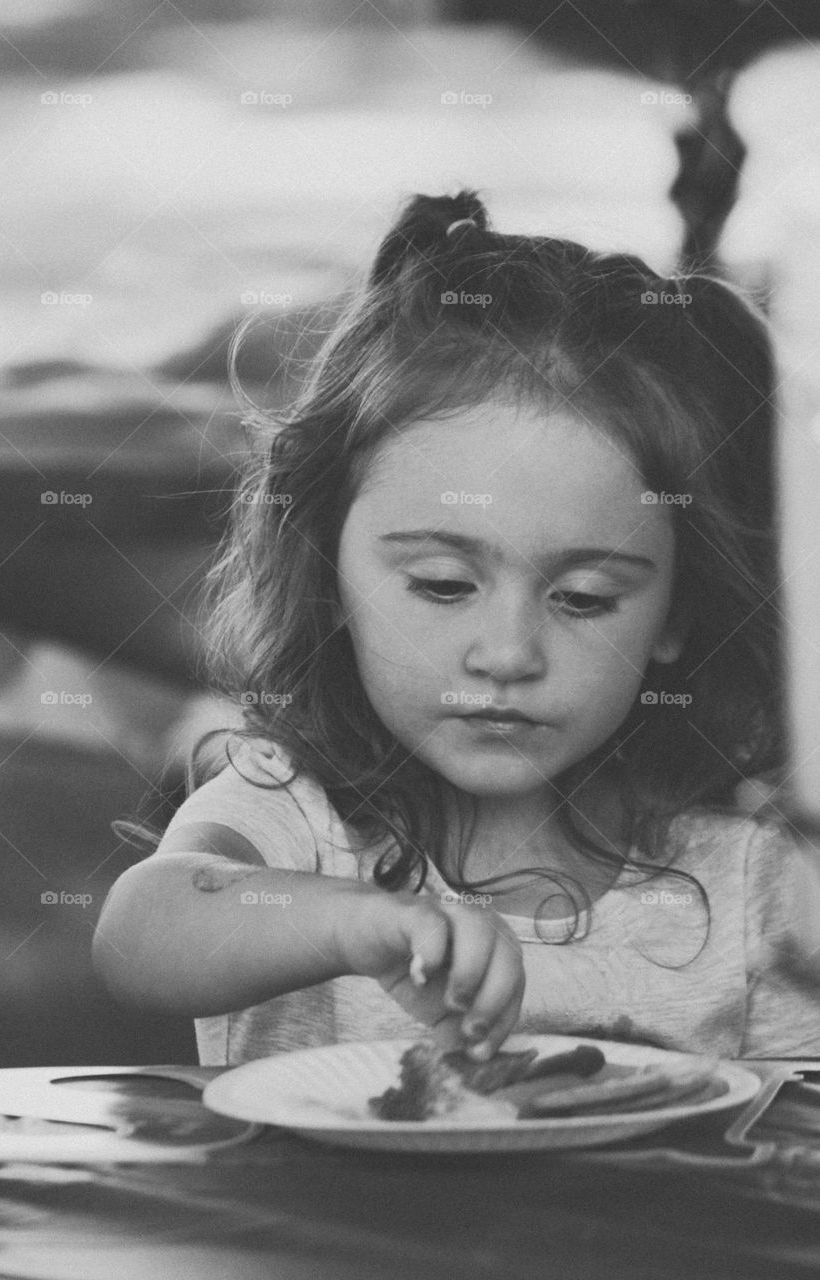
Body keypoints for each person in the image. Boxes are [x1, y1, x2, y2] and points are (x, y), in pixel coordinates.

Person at [94, 190, 820, 1066]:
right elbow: (142, 935)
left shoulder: (745, 879)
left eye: (584, 598)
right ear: (328, 573)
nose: (507, 654)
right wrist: (356, 924)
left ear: (675, 615)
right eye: (443, 585)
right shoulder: (297, 813)